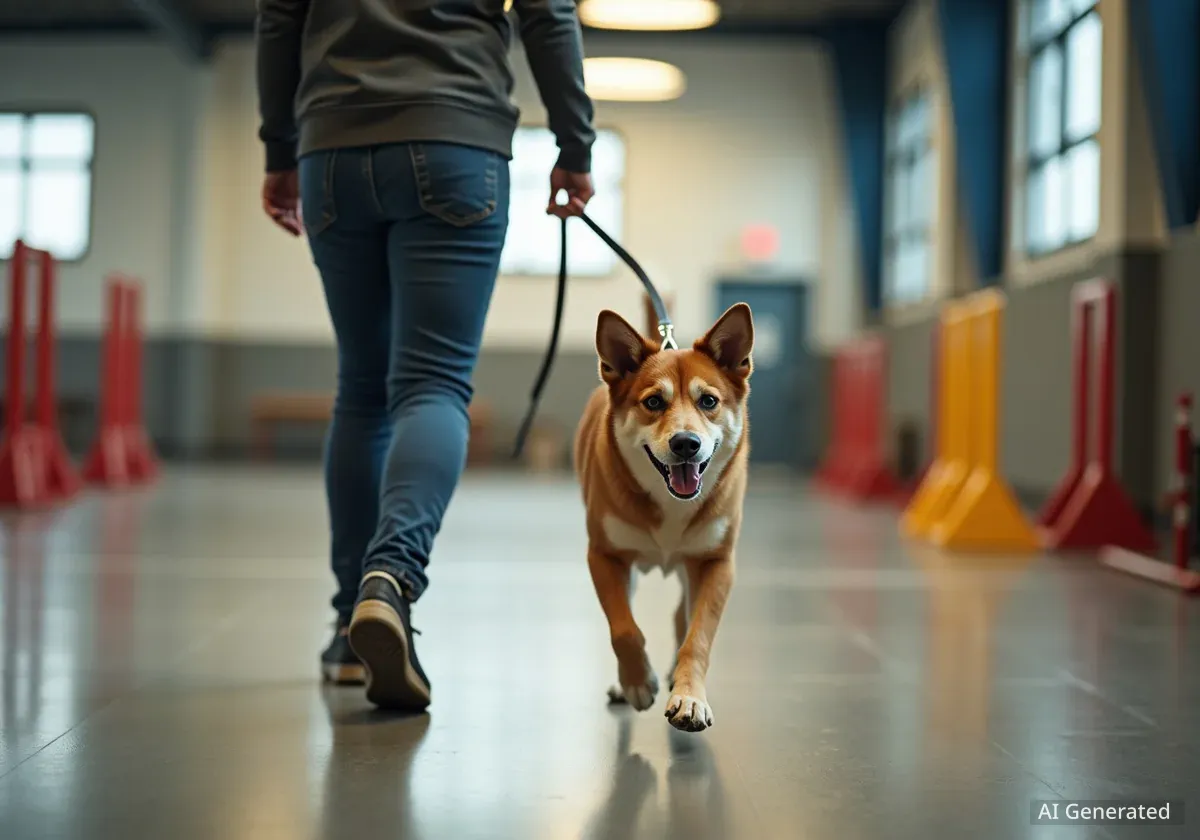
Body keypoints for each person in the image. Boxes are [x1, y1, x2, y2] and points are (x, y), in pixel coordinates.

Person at [255, 0, 596, 710]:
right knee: (433, 386)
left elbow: (279, 19)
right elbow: (548, 13)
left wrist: (280, 151)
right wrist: (576, 145)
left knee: (361, 390)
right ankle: (392, 580)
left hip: (332, 148)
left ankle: (350, 625)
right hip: (456, 139)